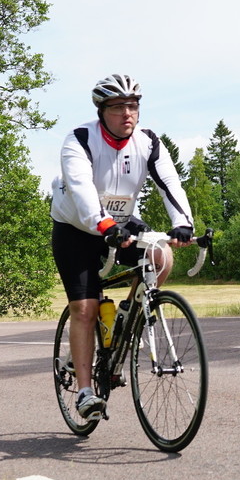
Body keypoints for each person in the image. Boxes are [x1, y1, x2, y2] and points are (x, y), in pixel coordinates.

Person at [50, 74, 194, 420]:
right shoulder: (80, 139)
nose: (127, 113)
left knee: (160, 256)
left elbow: (169, 183)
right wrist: (104, 226)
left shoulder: (148, 142)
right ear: (102, 111)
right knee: (85, 308)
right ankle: (85, 392)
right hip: (77, 227)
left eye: (133, 106)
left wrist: (184, 222)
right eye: (117, 107)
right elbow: (83, 190)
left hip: (123, 220)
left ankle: (128, 319)